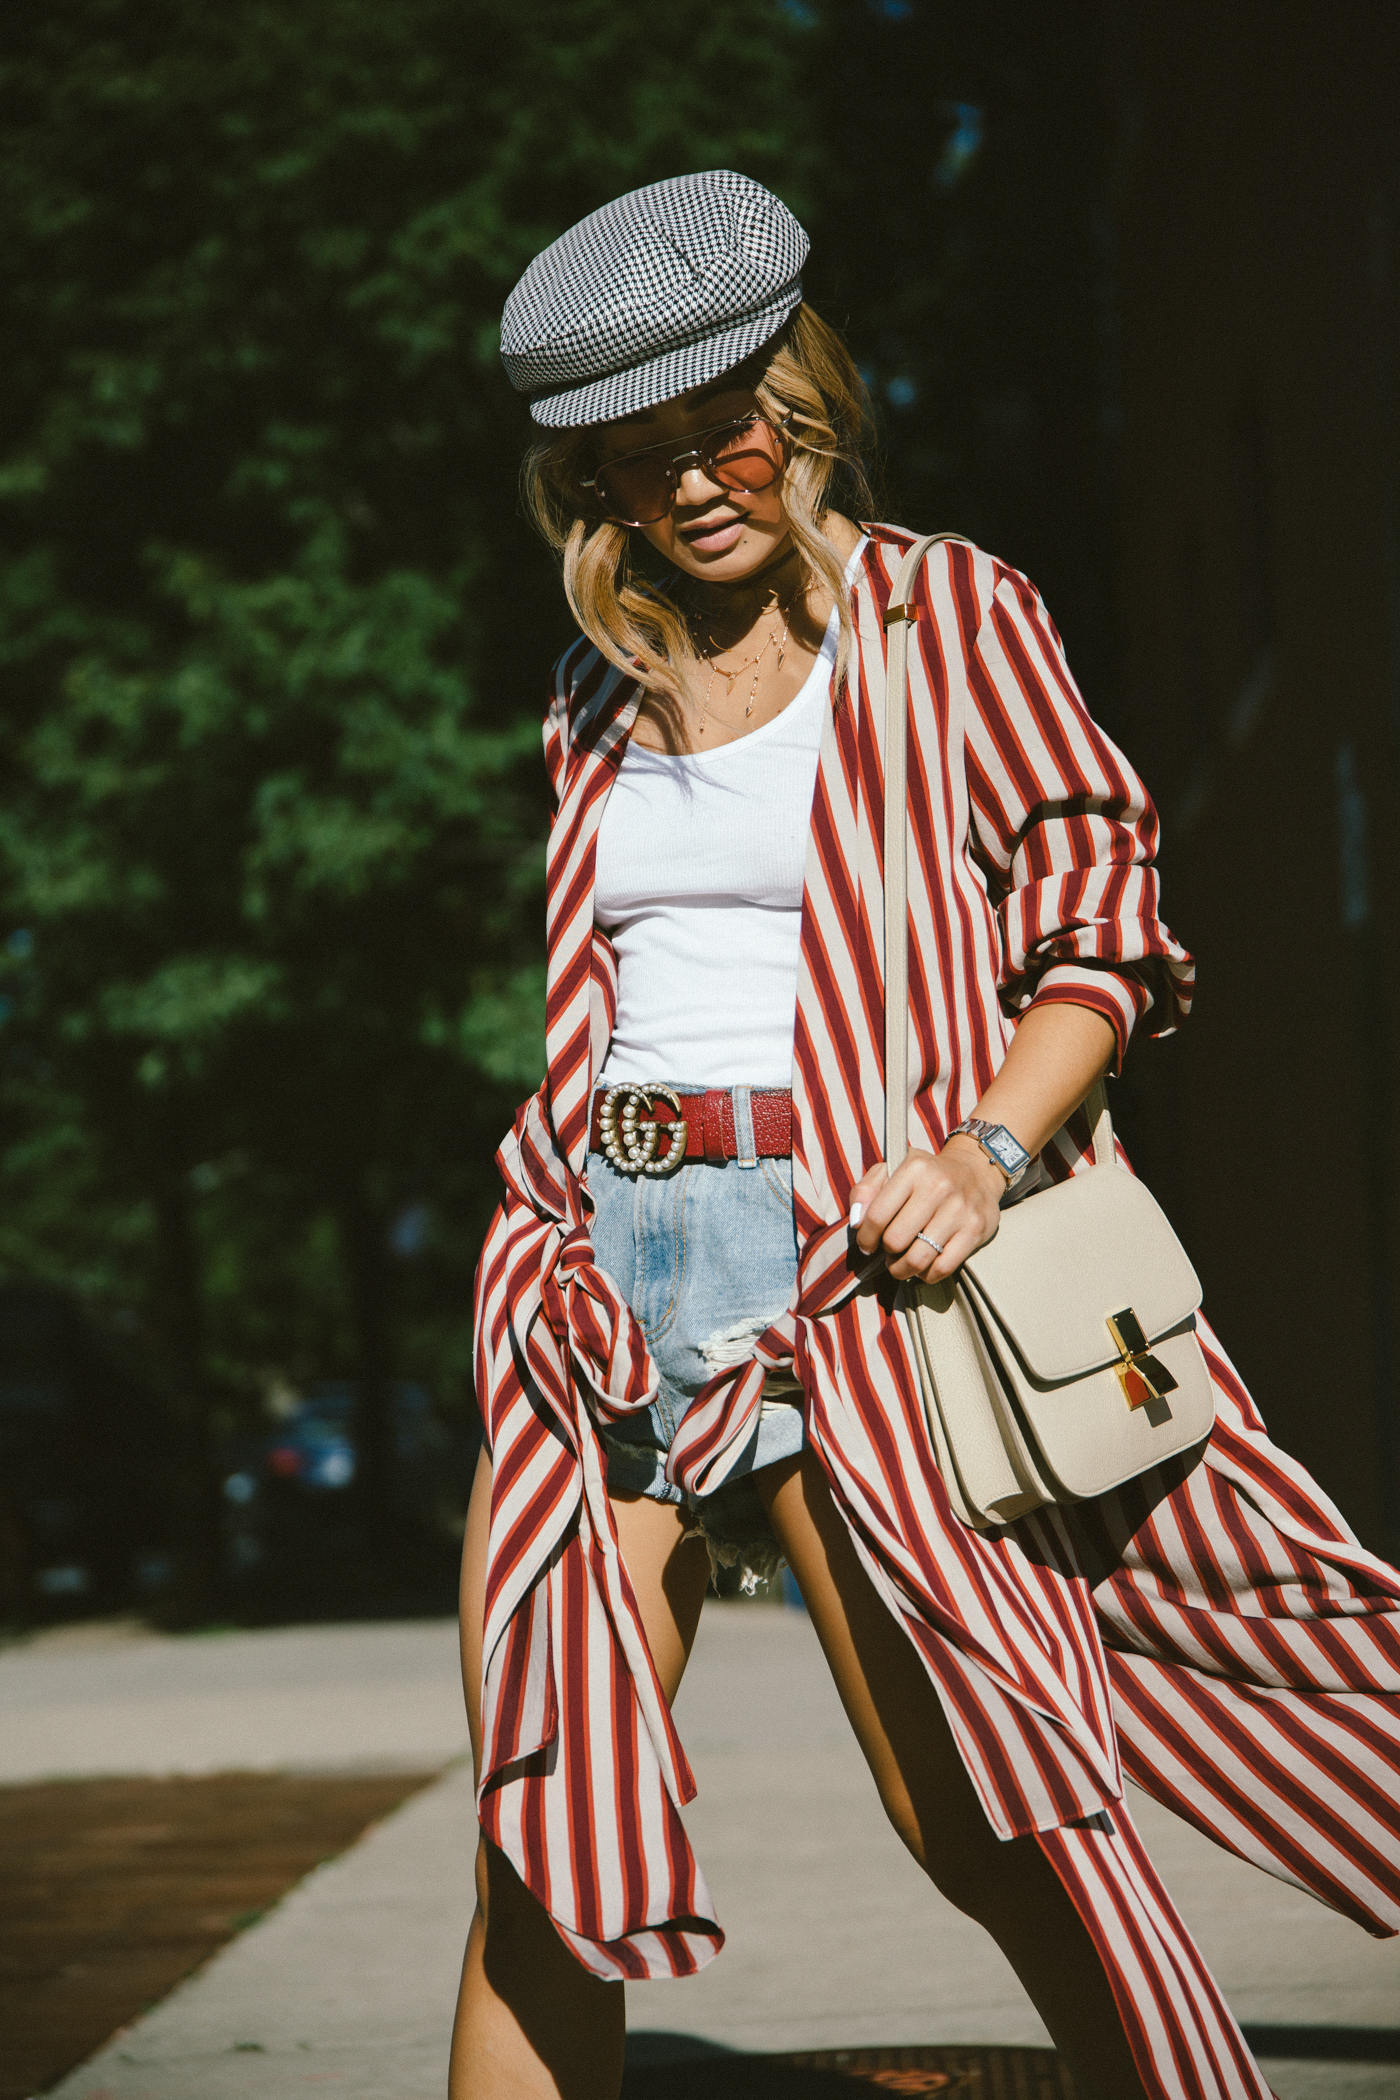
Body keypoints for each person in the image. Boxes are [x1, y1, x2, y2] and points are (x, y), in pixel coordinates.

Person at [452, 170, 1400, 2100]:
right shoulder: (591, 692)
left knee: (982, 1805)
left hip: (857, 1254)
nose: (692, 484)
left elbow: (1101, 924)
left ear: (795, 396)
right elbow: (602, 988)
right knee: (545, 1814)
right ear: (592, 495)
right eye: (633, 464)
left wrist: (983, 1149)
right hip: (612, 1259)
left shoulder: (946, 613)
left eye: (719, 426)